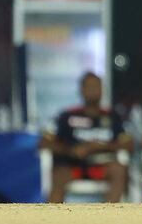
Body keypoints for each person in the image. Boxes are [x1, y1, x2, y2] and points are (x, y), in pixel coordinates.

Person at [40, 72, 133, 203]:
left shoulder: (112, 116)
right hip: (72, 167)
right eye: (90, 87)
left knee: (119, 169)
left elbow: (128, 144)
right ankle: (53, 219)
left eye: (97, 86)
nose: (94, 90)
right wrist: (71, 150)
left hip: (101, 167)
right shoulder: (67, 116)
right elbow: (45, 142)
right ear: (82, 90)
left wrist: (99, 147)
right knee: (58, 174)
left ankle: (111, 216)